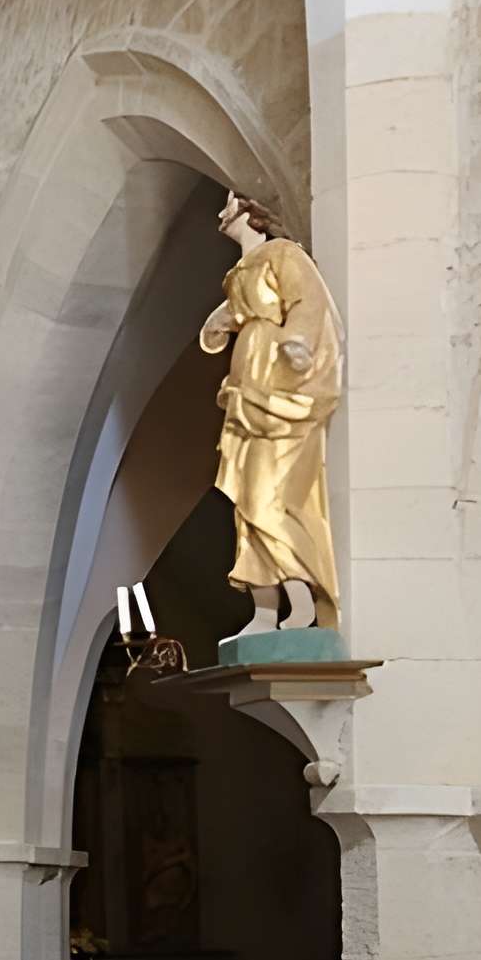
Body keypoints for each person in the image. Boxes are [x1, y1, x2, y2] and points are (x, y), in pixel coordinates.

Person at [198, 192, 341, 633]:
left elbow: (307, 300)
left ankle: (301, 603)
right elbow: (235, 313)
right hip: (246, 391)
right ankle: (263, 611)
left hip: (278, 389)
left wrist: (297, 341)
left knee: (268, 497)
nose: (222, 216)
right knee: (245, 500)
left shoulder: (282, 254)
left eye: (229, 209)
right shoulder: (239, 272)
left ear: (248, 215)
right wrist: (218, 323)